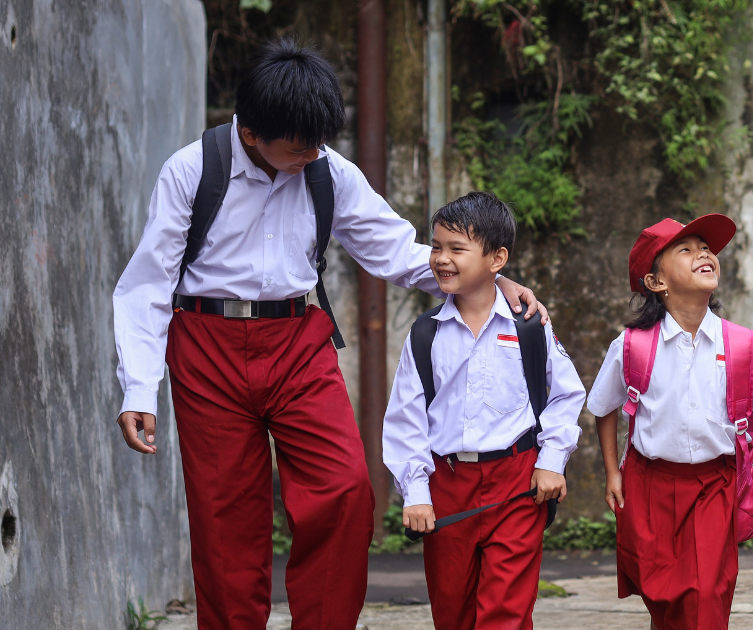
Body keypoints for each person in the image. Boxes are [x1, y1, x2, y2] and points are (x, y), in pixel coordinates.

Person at [112, 41, 543, 630]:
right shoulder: (192, 170)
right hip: (205, 347)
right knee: (224, 520)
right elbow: (147, 284)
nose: (313, 155)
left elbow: (395, 250)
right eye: (299, 147)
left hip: (297, 344)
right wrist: (139, 388)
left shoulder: (327, 170)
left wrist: (489, 282)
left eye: (320, 143)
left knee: (345, 491)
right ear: (251, 134)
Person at [381, 192, 585, 630]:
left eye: (457, 248)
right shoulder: (425, 334)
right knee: (452, 612)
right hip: (447, 484)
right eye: (436, 247)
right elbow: (405, 416)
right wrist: (415, 491)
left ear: (498, 258)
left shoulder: (528, 325)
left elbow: (567, 393)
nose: (441, 259)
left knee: (505, 613)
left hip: (516, 484)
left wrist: (551, 462)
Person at [587, 215, 753, 630]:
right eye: (685, 249)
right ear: (656, 282)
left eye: (706, 247)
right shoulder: (632, 345)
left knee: (706, 597)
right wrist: (614, 472)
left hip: (712, 488)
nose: (703, 253)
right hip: (648, 485)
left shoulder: (742, 345)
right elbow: (603, 406)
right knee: (664, 599)